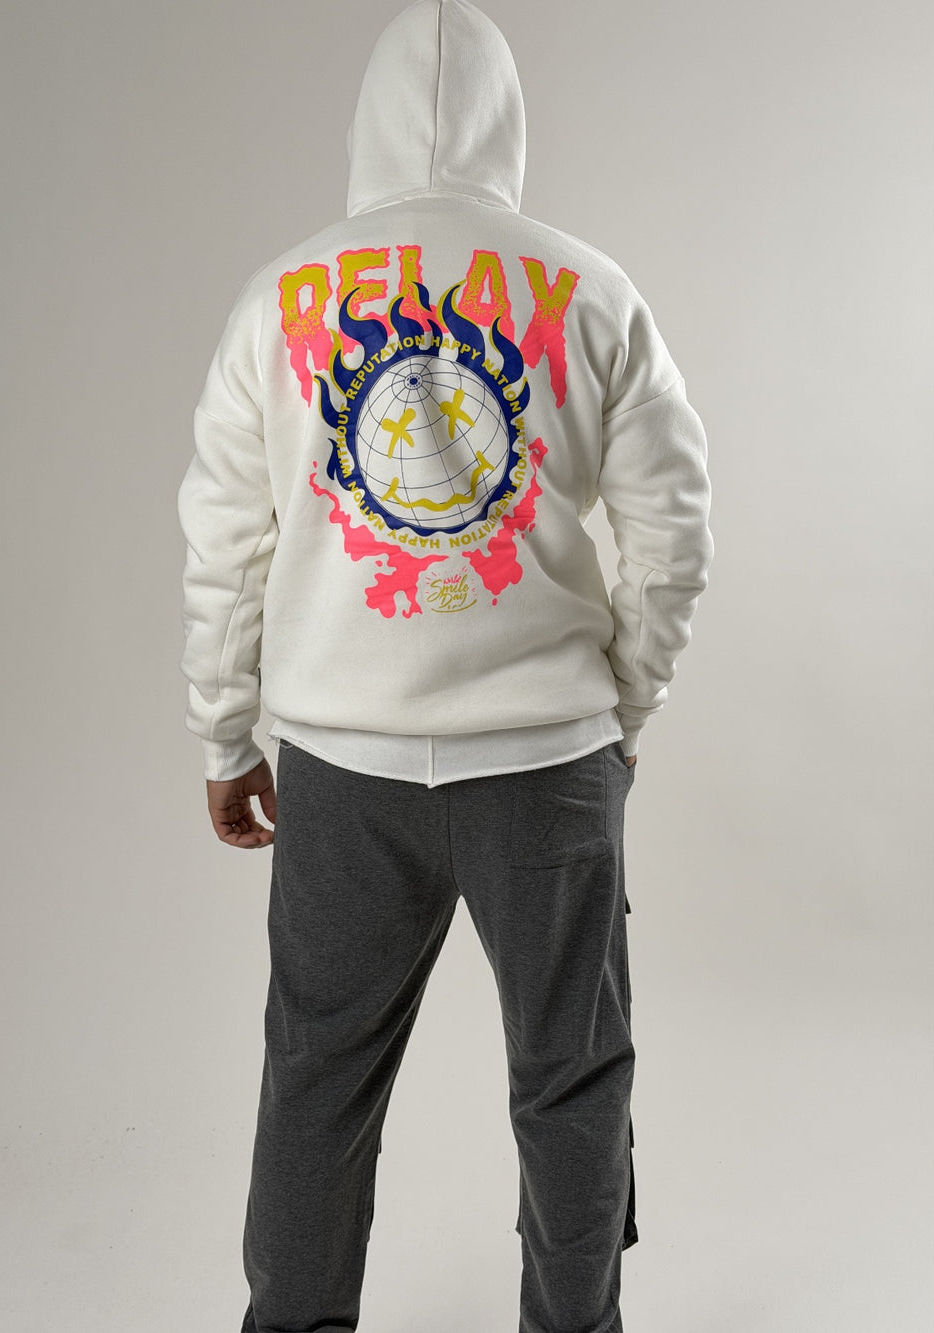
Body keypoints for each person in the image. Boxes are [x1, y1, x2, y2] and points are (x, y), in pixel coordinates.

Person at [177, 2, 713, 1329]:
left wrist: (225, 735)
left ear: (365, 124)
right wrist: (621, 709)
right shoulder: (593, 292)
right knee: (573, 1079)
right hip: (548, 766)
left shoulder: (278, 300)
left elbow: (226, 542)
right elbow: (674, 534)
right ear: (507, 124)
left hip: (340, 771)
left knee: (317, 1078)